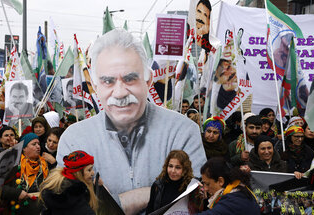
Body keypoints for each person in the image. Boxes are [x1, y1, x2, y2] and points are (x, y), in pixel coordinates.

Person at [57, 29, 206, 214]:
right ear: (95, 87)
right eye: (108, 81)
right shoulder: (74, 139)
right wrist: (156, 193)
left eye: (130, 79)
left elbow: (195, 199)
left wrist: (111, 203)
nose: (119, 92)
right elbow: (66, 205)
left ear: (148, 80)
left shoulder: (183, 131)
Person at [0, 133, 49, 215]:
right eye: (34, 144)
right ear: (24, 148)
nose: (38, 147)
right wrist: (17, 193)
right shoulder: (14, 165)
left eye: (38, 144)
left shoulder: (44, 164)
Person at [40, 150, 97, 215]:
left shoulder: (55, 190)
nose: (93, 173)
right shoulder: (77, 200)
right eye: (89, 170)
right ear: (78, 173)